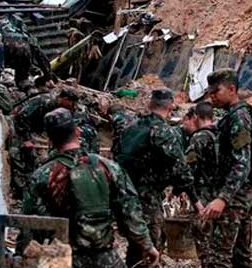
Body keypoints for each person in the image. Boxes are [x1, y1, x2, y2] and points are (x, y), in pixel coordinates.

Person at [22, 108, 160, 268]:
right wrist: (147, 245)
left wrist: (23, 255)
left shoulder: (42, 175)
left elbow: (32, 226)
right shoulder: (109, 167)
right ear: (78, 132)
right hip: (105, 257)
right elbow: (130, 212)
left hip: (64, 258)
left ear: (50, 140)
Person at [114, 88, 199, 267]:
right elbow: (180, 169)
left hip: (121, 194)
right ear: (170, 108)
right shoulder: (162, 131)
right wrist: (195, 199)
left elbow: (116, 156)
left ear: (149, 104)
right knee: (150, 247)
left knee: (135, 244)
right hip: (147, 198)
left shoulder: (129, 127)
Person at [201, 69, 252, 268]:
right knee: (240, 256)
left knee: (218, 258)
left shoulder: (239, 117)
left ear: (231, 89)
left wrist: (223, 198)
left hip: (235, 197)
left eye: (216, 92)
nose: (212, 97)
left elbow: (242, 162)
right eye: (209, 92)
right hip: (241, 194)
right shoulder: (234, 116)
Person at [184, 101, 219, 267]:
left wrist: (192, 197)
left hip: (203, 197)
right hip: (221, 197)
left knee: (205, 244)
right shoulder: (221, 135)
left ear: (196, 117)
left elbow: (187, 171)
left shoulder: (199, 138)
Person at [0, 13, 52, 89]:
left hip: (4, 51)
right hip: (24, 53)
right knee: (23, 80)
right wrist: (48, 75)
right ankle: (27, 89)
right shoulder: (24, 31)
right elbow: (38, 52)